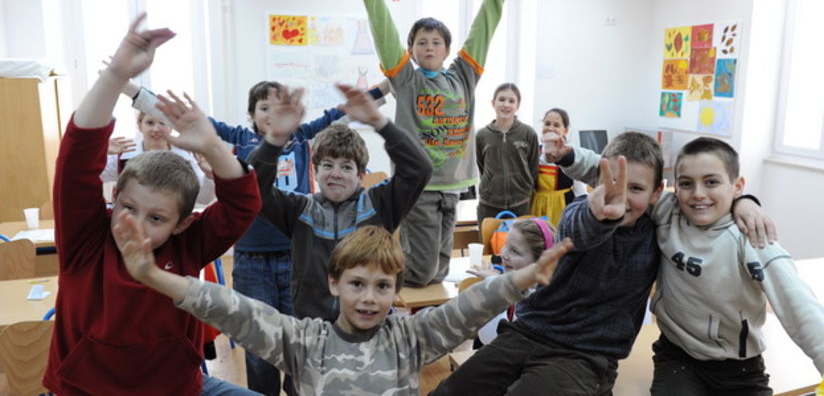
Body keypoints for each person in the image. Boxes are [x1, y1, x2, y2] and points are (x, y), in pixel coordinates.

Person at [114, 211, 575, 395]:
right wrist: (154, 275)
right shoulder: (302, 341)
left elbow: (469, 307)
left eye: (381, 286)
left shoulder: (411, 337)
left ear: (397, 292)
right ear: (334, 283)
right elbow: (230, 307)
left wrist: (523, 277)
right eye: (357, 284)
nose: (369, 298)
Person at [123, 79, 387, 396]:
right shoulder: (239, 139)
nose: (272, 115)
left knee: (299, 343)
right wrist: (131, 91)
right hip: (251, 259)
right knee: (260, 347)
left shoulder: (302, 138)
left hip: (295, 257)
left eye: (279, 109)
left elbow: (344, 111)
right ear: (251, 115)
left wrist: (389, 85)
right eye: (264, 108)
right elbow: (185, 119)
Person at [43, 13, 262, 396]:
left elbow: (241, 204)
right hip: (83, 389)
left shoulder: (187, 244)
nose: (137, 225)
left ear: (181, 224)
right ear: (113, 199)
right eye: (129, 208)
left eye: (157, 217)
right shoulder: (87, 240)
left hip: (177, 388)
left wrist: (211, 145)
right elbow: (76, 160)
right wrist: (114, 76)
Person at [433, 132, 666, 395]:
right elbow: (577, 231)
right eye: (612, 184)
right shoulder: (580, 210)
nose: (620, 197)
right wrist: (598, 216)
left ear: (656, 192)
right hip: (527, 332)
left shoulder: (659, 234)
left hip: (587, 356)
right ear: (596, 181)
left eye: (635, 189)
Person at [646, 137, 824, 395]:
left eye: (711, 182)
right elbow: (622, 177)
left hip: (739, 369)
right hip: (677, 357)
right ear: (675, 187)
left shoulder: (753, 239)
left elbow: (799, 305)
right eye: (686, 184)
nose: (698, 193)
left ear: (737, 186)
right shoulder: (668, 213)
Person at [355, 0, 510, 287]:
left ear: (447, 49)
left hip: (453, 186)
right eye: (421, 42)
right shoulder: (406, 80)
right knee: (421, 271)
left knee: (439, 269)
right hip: (419, 188)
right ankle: (380, 287)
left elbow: (482, 32)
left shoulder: (463, 75)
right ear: (410, 51)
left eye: (436, 41)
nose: (428, 46)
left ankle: (421, 319)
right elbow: (385, 34)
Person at [247, 82, 431, 325]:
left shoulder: (380, 203)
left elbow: (419, 170)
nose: (336, 173)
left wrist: (380, 124)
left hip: (370, 325)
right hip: (313, 329)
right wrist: (275, 139)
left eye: (346, 167)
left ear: (361, 175)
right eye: (327, 165)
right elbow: (251, 187)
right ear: (315, 171)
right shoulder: (298, 209)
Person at [467, 218, 556, 346]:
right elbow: (481, 336)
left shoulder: (542, 302)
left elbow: (495, 340)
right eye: (506, 245)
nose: (503, 254)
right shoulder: (517, 287)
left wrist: (496, 287)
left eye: (515, 251)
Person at [102, 110, 215, 206]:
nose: (156, 129)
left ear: (171, 127)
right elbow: (89, 175)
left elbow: (203, 198)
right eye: (150, 123)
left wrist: (209, 175)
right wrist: (100, 151)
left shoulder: (187, 158)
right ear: (139, 124)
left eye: (163, 123)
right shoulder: (122, 157)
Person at [475, 83, 539, 226]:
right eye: (501, 99)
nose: (506, 105)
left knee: (521, 247)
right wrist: (491, 184)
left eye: (511, 101)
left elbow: (533, 167)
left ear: (518, 105)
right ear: (493, 103)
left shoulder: (528, 134)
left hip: (520, 203)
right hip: (489, 204)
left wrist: (525, 187)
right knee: (489, 247)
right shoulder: (481, 135)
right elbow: (481, 166)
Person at [530, 107, 587, 226]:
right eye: (547, 123)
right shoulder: (534, 152)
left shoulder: (571, 153)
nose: (550, 128)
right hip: (537, 206)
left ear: (565, 130)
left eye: (556, 125)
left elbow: (580, 191)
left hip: (563, 207)